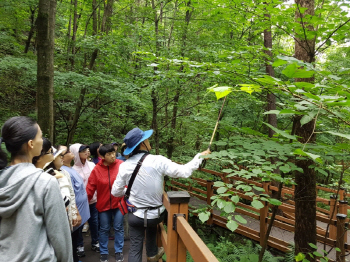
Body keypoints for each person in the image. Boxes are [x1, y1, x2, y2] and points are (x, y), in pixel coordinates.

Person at [111, 127, 210, 262]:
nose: (149, 141)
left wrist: (129, 191)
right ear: (142, 144)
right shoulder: (158, 160)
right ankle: (152, 255)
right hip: (155, 216)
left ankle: (152, 254)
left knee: (135, 248)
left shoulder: (124, 165)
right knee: (152, 225)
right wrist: (199, 156)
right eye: (147, 139)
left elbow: (115, 192)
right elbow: (184, 171)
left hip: (135, 215)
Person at [0, 116, 73, 262]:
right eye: (41, 136)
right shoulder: (45, 182)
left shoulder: (3, 179)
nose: (43, 140)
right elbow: (60, 236)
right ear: (31, 144)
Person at [86, 144, 125, 262]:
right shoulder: (97, 169)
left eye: (113, 153)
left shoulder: (121, 165)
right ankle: (103, 252)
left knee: (118, 227)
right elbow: (90, 187)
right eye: (109, 154)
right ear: (102, 156)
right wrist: (85, 203)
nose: (113, 156)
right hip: (103, 204)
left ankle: (118, 251)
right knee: (104, 228)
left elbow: (127, 180)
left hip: (118, 203)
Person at [61, 145, 90, 262]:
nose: (70, 152)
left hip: (81, 210)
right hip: (76, 211)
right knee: (72, 239)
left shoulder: (71, 168)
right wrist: (75, 212)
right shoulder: (63, 171)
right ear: (61, 158)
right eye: (66, 152)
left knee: (76, 236)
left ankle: (75, 258)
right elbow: (70, 194)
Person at [70, 143, 99, 257]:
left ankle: (95, 242)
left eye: (87, 149)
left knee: (94, 222)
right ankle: (80, 245)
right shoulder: (73, 170)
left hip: (93, 199)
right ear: (76, 154)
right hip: (80, 201)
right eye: (83, 151)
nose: (87, 152)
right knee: (80, 224)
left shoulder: (92, 165)